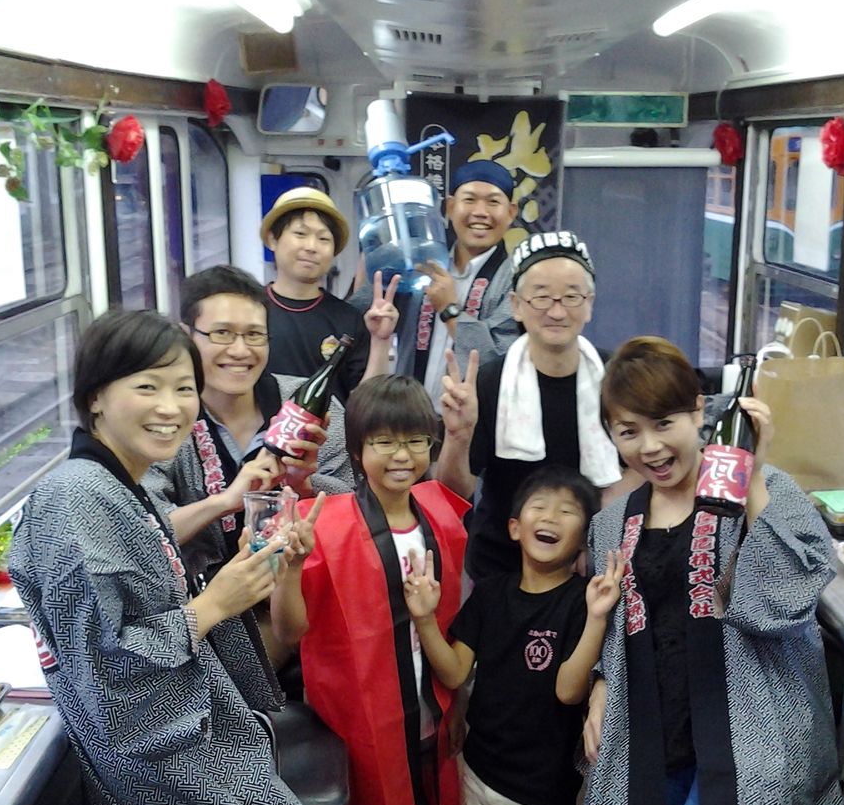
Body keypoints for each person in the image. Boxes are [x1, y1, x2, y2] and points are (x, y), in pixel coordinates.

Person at [9, 310, 370, 805]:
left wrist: (248, 568)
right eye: (147, 387)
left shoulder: (118, 486)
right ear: (95, 398)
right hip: (173, 784)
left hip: (184, 758)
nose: (171, 408)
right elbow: (106, 675)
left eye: (183, 389)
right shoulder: (77, 501)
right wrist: (214, 604)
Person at [579, 336, 844, 805]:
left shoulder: (772, 493)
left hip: (750, 730)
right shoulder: (611, 524)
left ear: (701, 412)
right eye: (628, 431)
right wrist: (600, 682)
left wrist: (751, 477)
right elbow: (616, 622)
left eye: (664, 423)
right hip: (650, 729)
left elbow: (786, 601)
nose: (650, 447)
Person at [271, 374, 469, 805]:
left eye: (415, 441)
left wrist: (458, 705)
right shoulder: (326, 521)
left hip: (430, 708)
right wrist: (289, 570)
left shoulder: (439, 513)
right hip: (359, 725)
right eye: (383, 441)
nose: (401, 456)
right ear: (357, 449)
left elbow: (455, 623)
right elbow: (289, 629)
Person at [402, 466, 622, 805]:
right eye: (539, 506)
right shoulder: (491, 593)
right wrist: (424, 619)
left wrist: (597, 618)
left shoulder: (581, 602)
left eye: (567, 512)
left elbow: (568, 691)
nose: (551, 517)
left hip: (539, 794)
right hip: (478, 769)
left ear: (583, 537)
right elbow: (455, 672)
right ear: (515, 527)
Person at [143, 264, 364, 697]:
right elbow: (143, 532)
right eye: (222, 334)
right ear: (187, 336)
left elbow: (355, 516)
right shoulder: (164, 423)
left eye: (254, 335)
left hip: (306, 607)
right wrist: (225, 500)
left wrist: (303, 485)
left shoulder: (312, 407)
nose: (240, 350)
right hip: (202, 613)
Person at [437, 229, 632, 581]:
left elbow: (641, 466)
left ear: (589, 304)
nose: (556, 311)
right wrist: (457, 436)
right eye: (541, 297)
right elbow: (454, 491)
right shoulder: (489, 381)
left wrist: (596, 531)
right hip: (501, 564)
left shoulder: (616, 377)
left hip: (594, 564)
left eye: (571, 297)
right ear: (516, 305)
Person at [350, 160, 521, 404]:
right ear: (450, 207)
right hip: (407, 415)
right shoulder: (418, 260)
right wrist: (377, 248)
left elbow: (499, 360)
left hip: (472, 419)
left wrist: (450, 311)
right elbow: (358, 314)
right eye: (469, 200)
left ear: (511, 212)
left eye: (493, 202)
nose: (480, 212)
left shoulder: (517, 281)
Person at [262, 186, 391, 402]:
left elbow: (367, 404)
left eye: (323, 239)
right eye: (300, 234)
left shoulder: (349, 319)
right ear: (273, 239)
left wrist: (380, 341)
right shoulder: (250, 312)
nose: (311, 247)